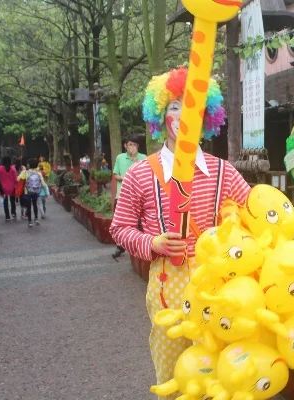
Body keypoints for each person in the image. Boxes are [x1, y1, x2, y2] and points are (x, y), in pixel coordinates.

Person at [109, 67, 250, 399]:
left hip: (218, 289)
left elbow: (252, 217)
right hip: (167, 290)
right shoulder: (140, 174)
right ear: (160, 116)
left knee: (221, 373)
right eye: (175, 106)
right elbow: (120, 227)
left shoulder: (224, 172)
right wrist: (152, 242)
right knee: (174, 374)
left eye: (193, 105)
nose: (184, 113)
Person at [111, 135, 147, 260]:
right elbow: (115, 175)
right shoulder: (120, 157)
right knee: (121, 222)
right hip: (122, 195)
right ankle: (120, 246)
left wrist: (135, 160)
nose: (132, 147)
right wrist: (126, 178)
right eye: (130, 144)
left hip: (139, 196)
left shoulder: (143, 158)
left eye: (135, 145)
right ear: (125, 146)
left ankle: (141, 247)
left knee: (140, 222)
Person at [18, 158, 47, 228]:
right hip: (36, 191)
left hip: (28, 191)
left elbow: (18, 179)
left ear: (29, 165)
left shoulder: (25, 172)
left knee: (28, 206)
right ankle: (36, 219)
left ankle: (30, 221)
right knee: (35, 204)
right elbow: (43, 183)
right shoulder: (38, 173)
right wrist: (46, 191)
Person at [0, 156, 18, 221]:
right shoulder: (13, 169)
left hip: (3, 188)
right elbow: (15, 179)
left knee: (5, 202)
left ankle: (7, 216)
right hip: (12, 188)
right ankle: (13, 213)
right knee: (12, 201)